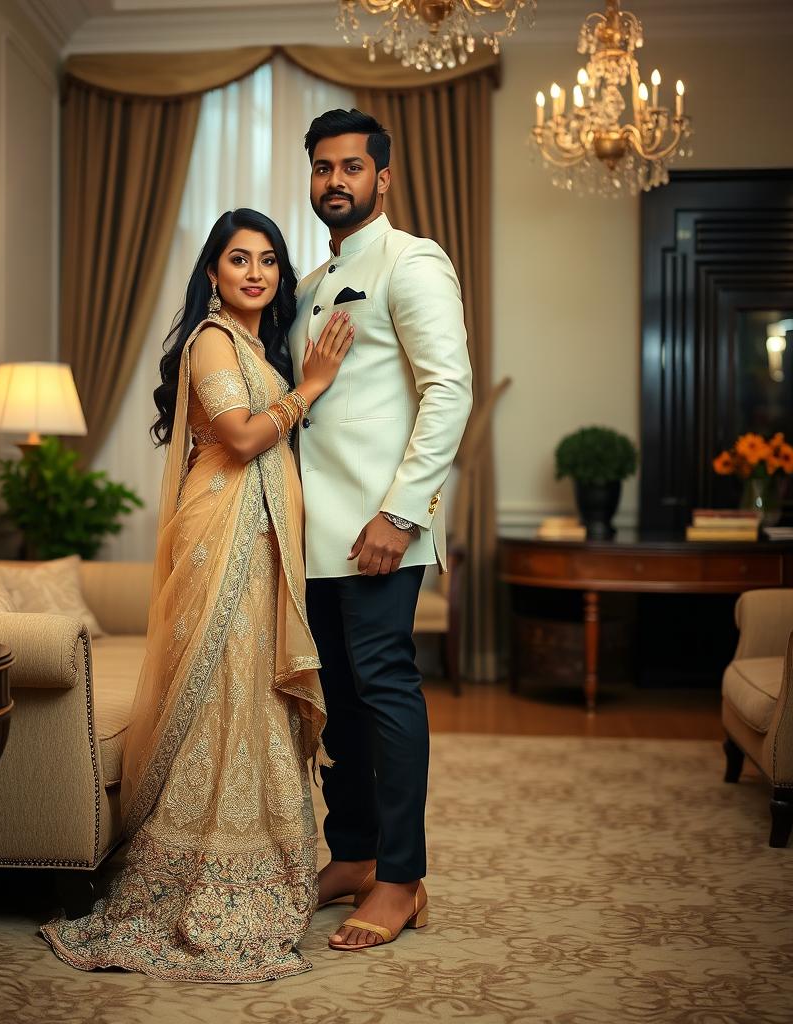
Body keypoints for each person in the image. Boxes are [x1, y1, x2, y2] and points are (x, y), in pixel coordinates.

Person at [40, 208, 354, 982]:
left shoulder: (254, 345)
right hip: (224, 533)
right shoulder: (212, 339)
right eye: (238, 258)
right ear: (212, 272)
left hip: (261, 536)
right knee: (223, 691)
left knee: (252, 693)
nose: (255, 272)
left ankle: (264, 863)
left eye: (269, 261)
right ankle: (198, 872)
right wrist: (312, 386)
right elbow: (242, 437)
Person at [290, 109, 473, 952]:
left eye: (352, 168)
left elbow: (448, 391)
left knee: (387, 693)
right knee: (341, 709)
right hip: (312, 533)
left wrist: (400, 514)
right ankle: (355, 854)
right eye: (324, 168)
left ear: (383, 177)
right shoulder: (314, 280)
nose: (336, 181)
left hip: (378, 529)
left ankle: (402, 879)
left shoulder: (413, 260)